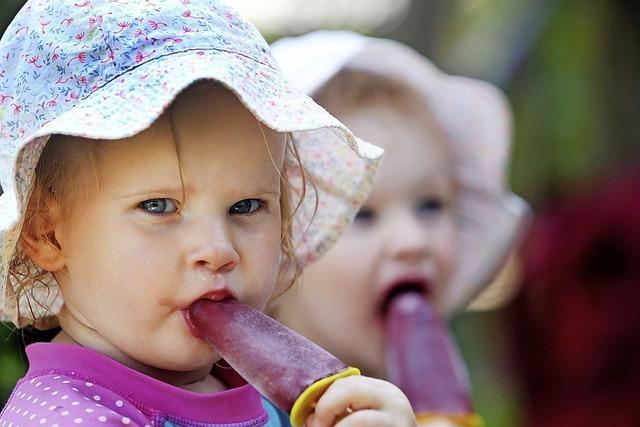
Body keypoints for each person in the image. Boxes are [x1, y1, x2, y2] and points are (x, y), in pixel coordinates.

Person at [0, 4, 416, 426]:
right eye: (159, 206)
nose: (218, 250)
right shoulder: (65, 417)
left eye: (246, 206)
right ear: (48, 234)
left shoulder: (262, 393)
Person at [270, 31, 530, 426]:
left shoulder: (445, 397)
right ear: (278, 255)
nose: (412, 241)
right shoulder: (236, 412)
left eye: (431, 205)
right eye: (362, 214)